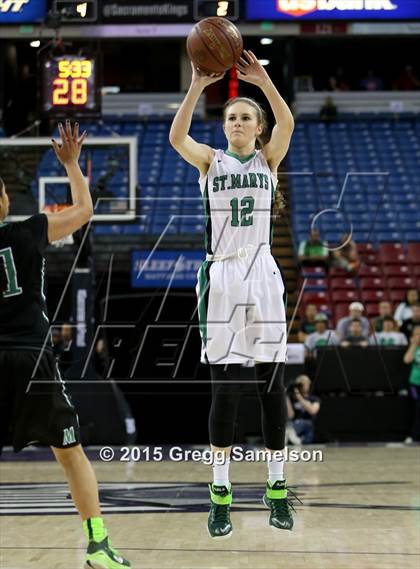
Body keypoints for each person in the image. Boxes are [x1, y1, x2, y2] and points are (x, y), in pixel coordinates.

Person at [169, 50, 295, 538]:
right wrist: (199, 87)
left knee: (271, 386)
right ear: (224, 127)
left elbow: (286, 121)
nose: (239, 122)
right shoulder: (211, 161)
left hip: (262, 272)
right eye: (233, 117)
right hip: (221, 276)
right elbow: (177, 137)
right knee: (225, 390)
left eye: (246, 117)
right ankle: (219, 494)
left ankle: (276, 489)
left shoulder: (268, 159)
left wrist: (263, 81)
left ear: (257, 129)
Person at [0, 121, 130, 569]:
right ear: (3, 201)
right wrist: (72, 164)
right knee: (71, 455)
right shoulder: (29, 230)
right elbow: (84, 209)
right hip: (32, 359)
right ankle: (97, 544)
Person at [287, 375, 320, 444]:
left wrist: (299, 397)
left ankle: (290, 435)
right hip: (294, 423)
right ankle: (291, 436)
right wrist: (286, 397)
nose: (301, 387)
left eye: (304, 384)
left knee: (303, 423)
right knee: (291, 423)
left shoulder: (313, 399)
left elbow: (312, 411)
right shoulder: (292, 399)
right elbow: (290, 415)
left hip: (308, 424)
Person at [403, 326, 420, 443]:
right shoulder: (415, 348)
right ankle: (413, 435)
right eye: (417, 334)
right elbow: (407, 360)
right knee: (417, 409)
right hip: (415, 383)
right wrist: (413, 344)